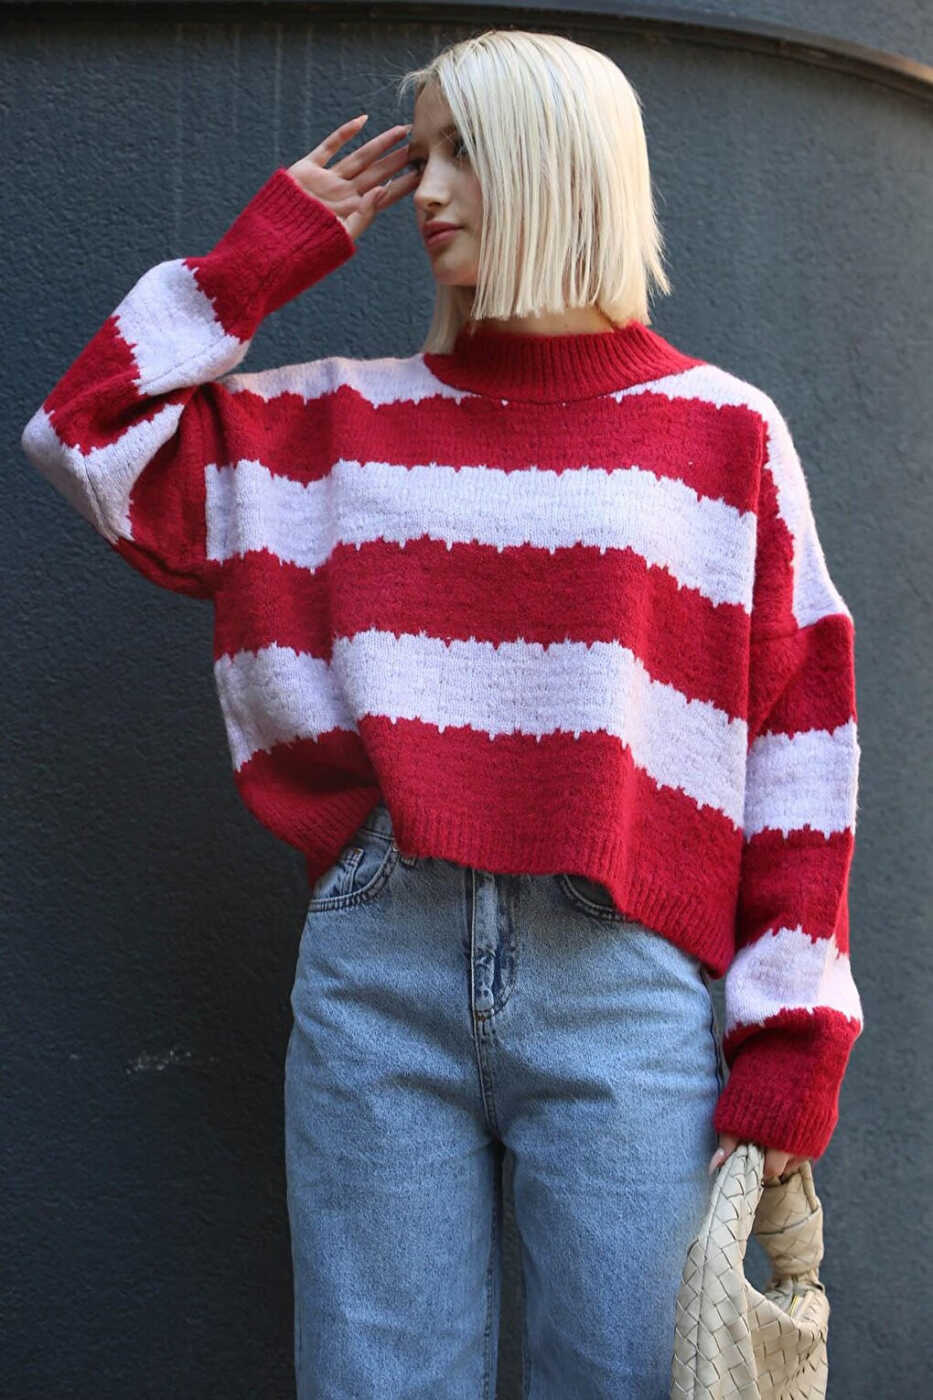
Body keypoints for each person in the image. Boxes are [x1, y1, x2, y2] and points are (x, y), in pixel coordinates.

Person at [20, 26, 863, 1400]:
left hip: (626, 981)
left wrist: (791, 1041)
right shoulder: (330, 426)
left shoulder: (722, 433)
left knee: (631, 1381)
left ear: (562, 167)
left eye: (467, 152)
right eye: (424, 154)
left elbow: (798, 747)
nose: (428, 189)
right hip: (378, 970)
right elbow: (86, 438)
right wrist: (257, 262)